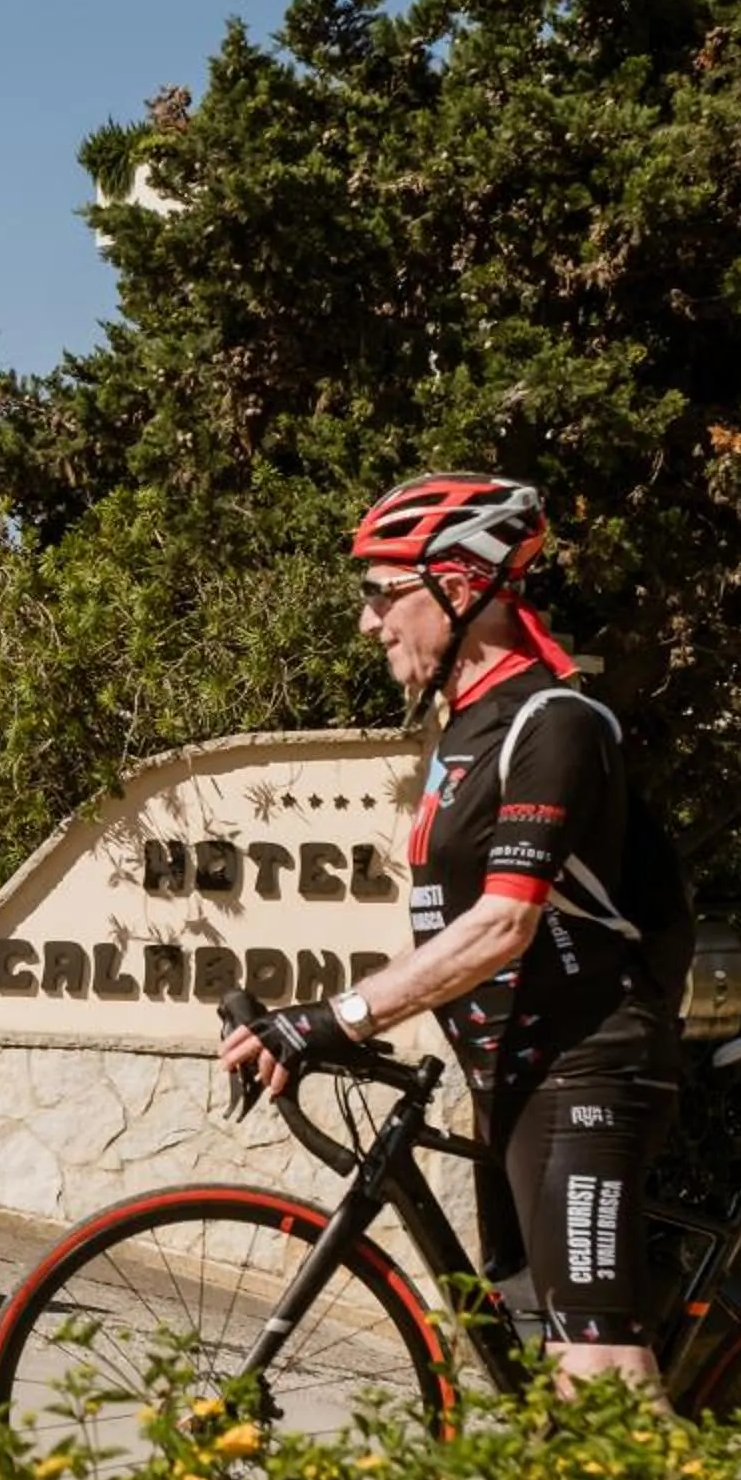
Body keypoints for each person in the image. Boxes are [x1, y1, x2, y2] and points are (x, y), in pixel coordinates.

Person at [219, 473, 692, 1398]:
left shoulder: (553, 723)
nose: (369, 623)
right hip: (509, 1075)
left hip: (588, 1066)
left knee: (597, 1371)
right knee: (531, 1371)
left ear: (462, 586)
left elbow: (505, 924)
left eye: (383, 592)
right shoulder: (462, 731)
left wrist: (335, 1018)